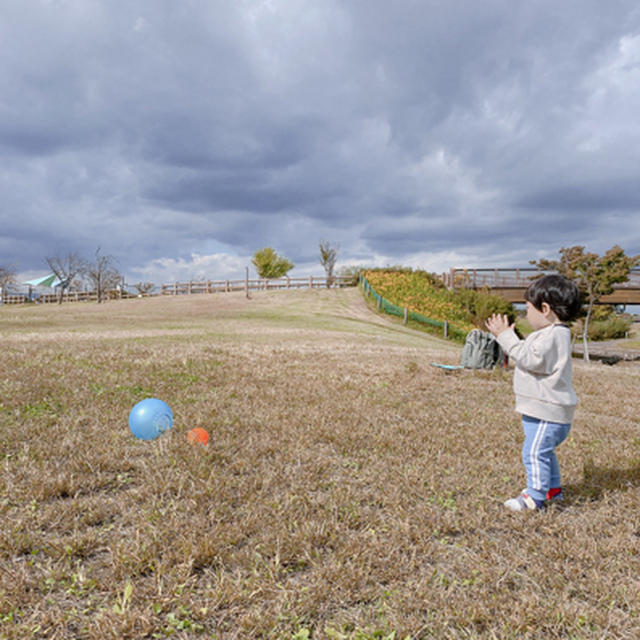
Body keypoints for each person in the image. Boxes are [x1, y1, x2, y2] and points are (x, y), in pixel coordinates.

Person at [486, 274, 581, 512]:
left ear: (545, 309)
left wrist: (505, 336)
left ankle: (535, 497)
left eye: (527, 308)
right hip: (540, 408)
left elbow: (530, 359)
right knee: (542, 451)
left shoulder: (554, 335)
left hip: (547, 411)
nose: (526, 314)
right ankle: (552, 489)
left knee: (535, 451)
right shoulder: (550, 334)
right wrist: (510, 337)